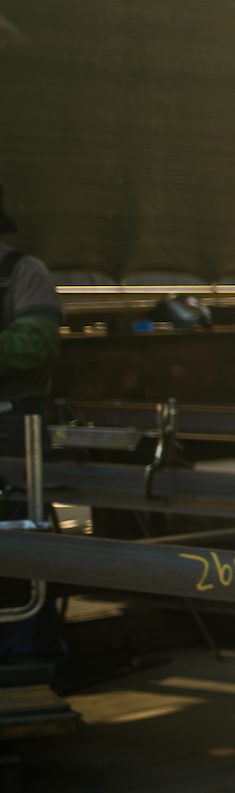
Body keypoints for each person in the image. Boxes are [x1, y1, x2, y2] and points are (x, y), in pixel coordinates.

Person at [0, 185, 67, 658]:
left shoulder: (22, 272)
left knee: (22, 544)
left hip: (10, 426)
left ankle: (28, 659)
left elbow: (36, 345)